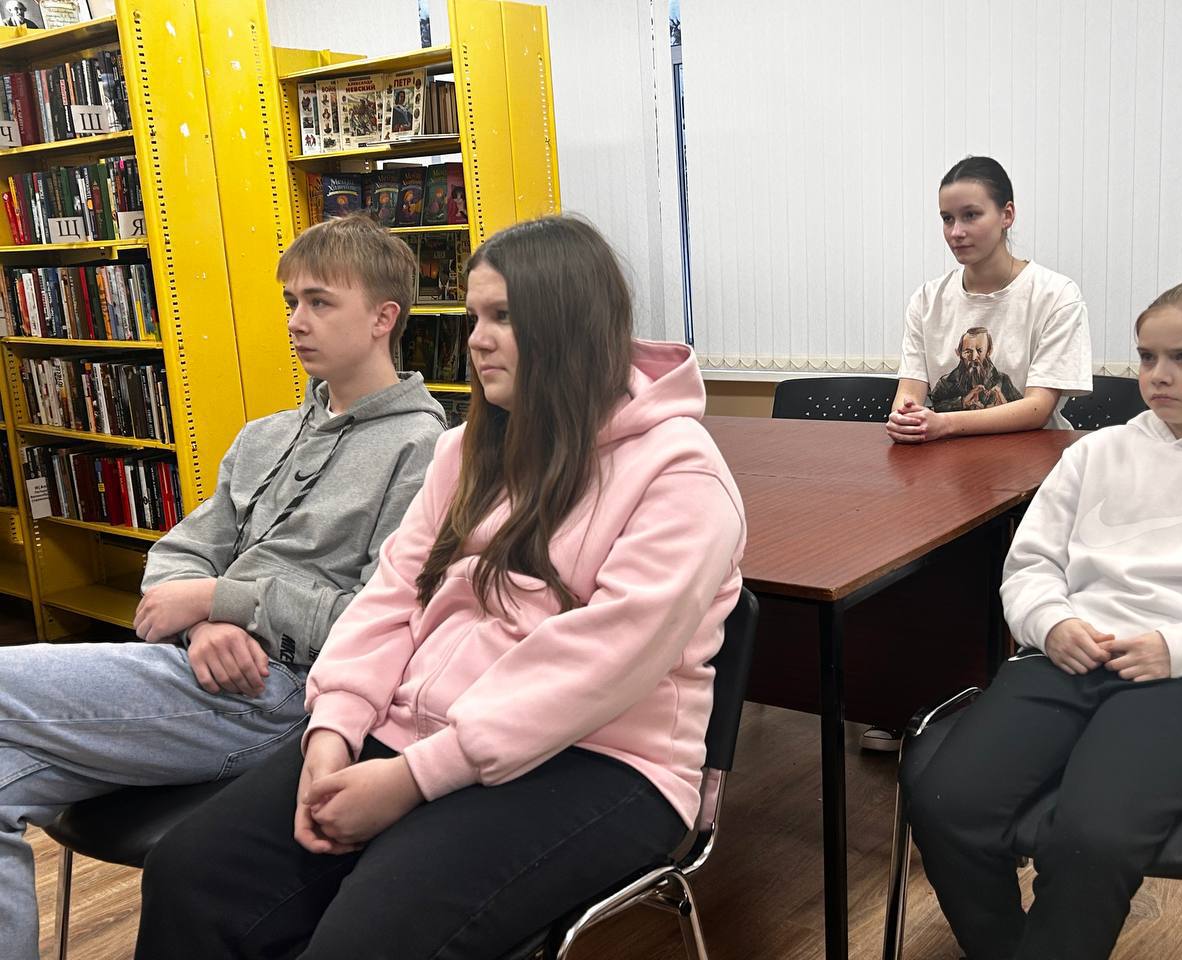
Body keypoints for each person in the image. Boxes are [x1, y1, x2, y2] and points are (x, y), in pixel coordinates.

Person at [134, 215, 747, 960]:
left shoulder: (681, 475)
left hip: (603, 757)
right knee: (190, 873)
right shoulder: (464, 451)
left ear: (571, 324)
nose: (477, 340)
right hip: (417, 729)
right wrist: (332, 732)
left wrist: (412, 780)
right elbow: (390, 597)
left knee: (366, 941)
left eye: (504, 316)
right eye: (473, 317)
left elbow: (601, 663)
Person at [0, 213, 445, 960]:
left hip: (288, 694)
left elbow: (381, 624)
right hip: (203, 668)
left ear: (382, 318)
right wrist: (205, 625)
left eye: (320, 302)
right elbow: (179, 554)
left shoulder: (425, 451)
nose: (296, 321)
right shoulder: (264, 435)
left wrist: (218, 601)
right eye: (291, 302)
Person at [908, 279, 1182, 960]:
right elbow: (1030, 566)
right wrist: (1050, 622)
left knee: (1092, 839)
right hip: (1066, 657)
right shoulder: (1095, 453)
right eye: (1147, 357)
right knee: (945, 806)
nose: (1158, 375)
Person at [887, 156, 1093, 444]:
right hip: (946, 460)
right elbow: (908, 393)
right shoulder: (926, 300)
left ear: (1006, 215)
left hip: (1034, 459)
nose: (956, 232)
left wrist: (944, 423)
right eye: (947, 219)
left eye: (971, 215)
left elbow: (1038, 408)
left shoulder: (1056, 295)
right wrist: (905, 418)